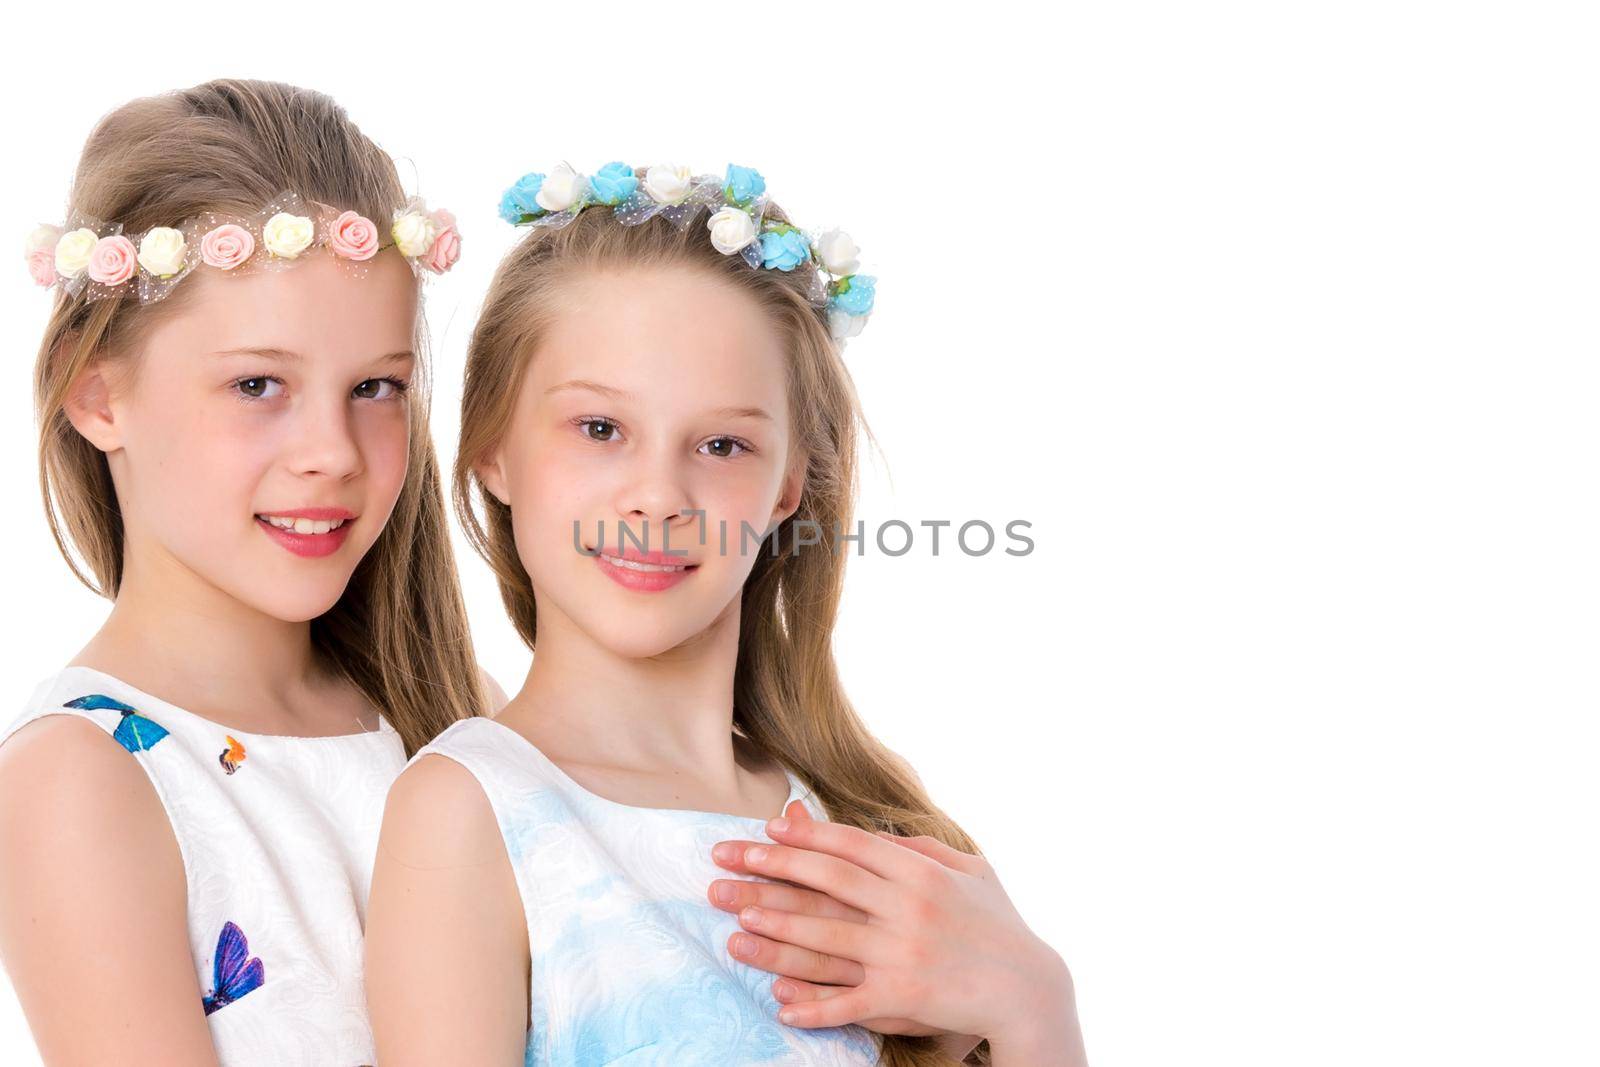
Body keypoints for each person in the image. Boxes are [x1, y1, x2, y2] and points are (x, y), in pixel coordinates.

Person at [366, 161, 1086, 1066]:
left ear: (788, 485)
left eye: (721, 444)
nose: (659, 495)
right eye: (599, 429)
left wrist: (1034, 1008)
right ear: (494, 448)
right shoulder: (470, 814)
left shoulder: (866, 831)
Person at [0, 79, 497, 1066]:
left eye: (376, 388)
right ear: (97, 393)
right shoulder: (83, 779)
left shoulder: (450, 714)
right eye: (258, 384)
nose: (333, 451)